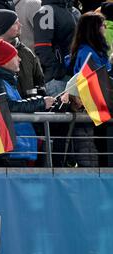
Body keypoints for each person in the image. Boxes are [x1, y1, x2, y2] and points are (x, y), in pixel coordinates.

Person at [0, 39, 55, 166]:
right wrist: (41, 103)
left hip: (15, 149)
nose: (19, 59)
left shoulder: (2, 80)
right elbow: (8, 106)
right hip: (9, 152)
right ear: (5, 60)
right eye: (15, 56)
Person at [65, 12, 111, 167]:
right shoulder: (87, 53)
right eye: (102, 25)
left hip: (99, 109)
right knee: (96, 152)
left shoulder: (95, 51)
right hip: (93, 110)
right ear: (93, 29)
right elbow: (95, 80)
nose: (105, 28)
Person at [0, 9, 45, 98]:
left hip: (30, 108)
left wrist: (38, 95)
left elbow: (39, 81)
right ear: (4, 27)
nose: (20, 25)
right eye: (15, 23)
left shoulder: (26, 52)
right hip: (5, 109)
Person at [33, 0, 78, 96]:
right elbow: (42, 47)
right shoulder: (46, 11)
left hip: (71, 75)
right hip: (58, 79)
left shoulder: (71, 10)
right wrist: (57, 71)